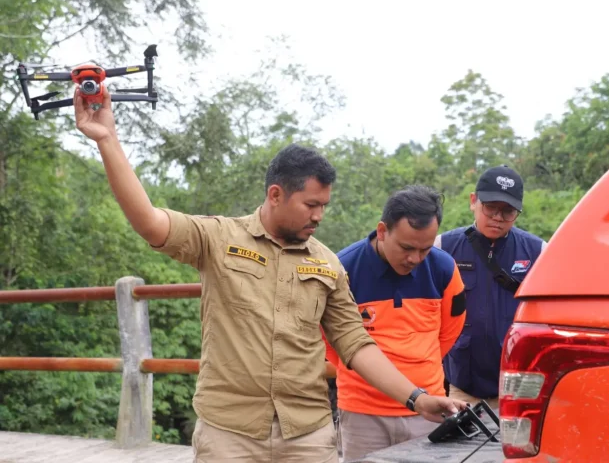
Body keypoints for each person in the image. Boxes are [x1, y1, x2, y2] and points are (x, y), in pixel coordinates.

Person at [73, 84, 467, 463]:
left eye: (324, 205)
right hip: (229, 434)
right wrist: (107, 138)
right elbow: (149, 221)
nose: (319, 215)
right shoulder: (218, 238)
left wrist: (416, 398)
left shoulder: (328, 264)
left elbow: (356, 345)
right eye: (311, 204)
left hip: (308, 437)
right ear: (276, 195)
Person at [324, 186, 467, 462]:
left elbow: (450, 330)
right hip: (363, 412)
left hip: (429, 411)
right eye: (406, 248)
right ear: (382, 231)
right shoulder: (343, 269)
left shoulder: (443, 269)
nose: (415, 259)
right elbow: (330, 342)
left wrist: (419, 366)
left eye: (424, 249)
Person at [434, 165, 547, 409]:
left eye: (507, 211)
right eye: (491, 208)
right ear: (473, 201)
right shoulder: (443, 248)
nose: (497, 217)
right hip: (463, 385)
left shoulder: (538, 251)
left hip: (519, 384)